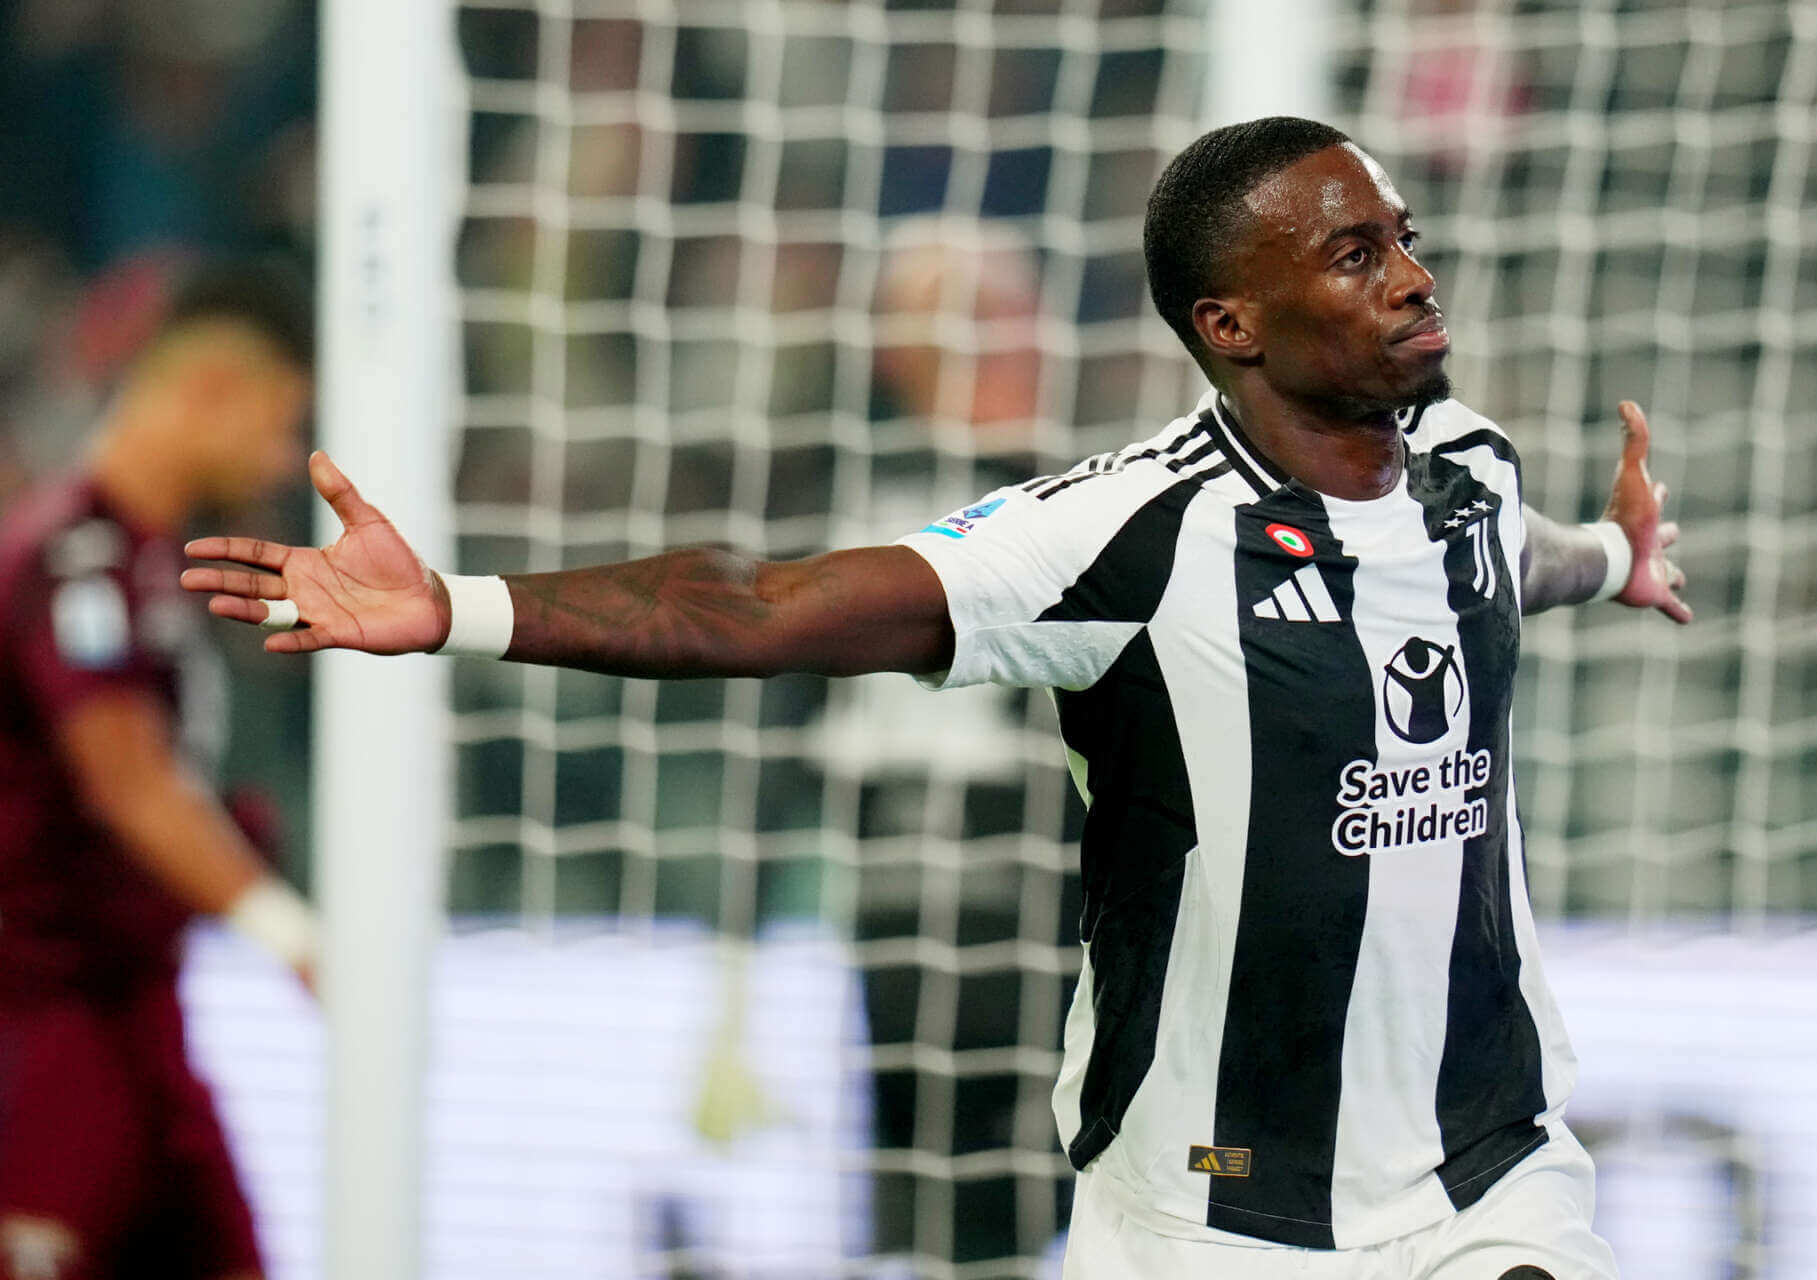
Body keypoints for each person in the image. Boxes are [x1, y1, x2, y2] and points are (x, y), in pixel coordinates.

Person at [184, 118, 1690, 1278]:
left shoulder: (1471, 469)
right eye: (1356, 256)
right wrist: (457, 607)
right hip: (1213, 1213)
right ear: (1231, 324)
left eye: (1404, 239)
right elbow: (762, 607)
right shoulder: (1124, 531)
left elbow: (1522, 558)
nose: (1415, 279)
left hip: (1488, 1170)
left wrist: (1617, 555)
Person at [0, 261, 318, 1280]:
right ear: (210, 388)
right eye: (280, 424)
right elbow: (126, 780)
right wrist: (294, 935)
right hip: (43, 1024)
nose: (282, 460)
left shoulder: (151, 567)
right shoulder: (71, 558)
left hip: (141, 1016)